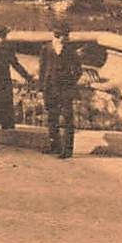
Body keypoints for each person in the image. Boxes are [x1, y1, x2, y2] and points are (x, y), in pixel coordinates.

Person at [38, 23, 84, 158]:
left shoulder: (71, 51)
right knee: (52, 117)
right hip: (50, 88)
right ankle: (55, 146)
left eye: (65, 36)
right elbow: (42, 69)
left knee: (68, 119)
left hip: (65, 89)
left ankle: (67, 150)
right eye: (61, 36)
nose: (64, 39)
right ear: (55, 35)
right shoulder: (46, 48)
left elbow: (78, 70)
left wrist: (70, 81)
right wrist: (41, 87)